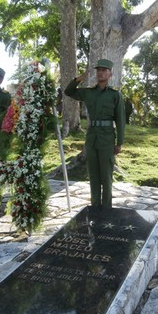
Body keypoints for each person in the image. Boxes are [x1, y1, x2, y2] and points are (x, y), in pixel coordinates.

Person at [64, 58, 125, 209]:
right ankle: (95, 209)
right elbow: (68, 92)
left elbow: (120, 120)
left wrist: (120, 142)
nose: (101, 73)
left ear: (110, 74)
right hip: (92, 138)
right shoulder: (89, 93)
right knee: (94, 176)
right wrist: (78, 79)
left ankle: (106, 210)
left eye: (104, 70)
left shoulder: (115, 95)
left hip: (107, 139)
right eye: (99, 70)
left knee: (106, 176)